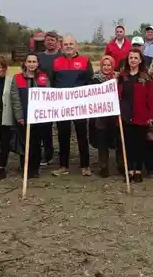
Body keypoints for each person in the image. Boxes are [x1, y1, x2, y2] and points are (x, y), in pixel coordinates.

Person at [52, 36, 94, 177]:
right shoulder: (56, 62)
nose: (68, 46)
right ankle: (63, 166)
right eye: (66, 44)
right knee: (63, 136)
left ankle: (85, 165)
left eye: (71, 44)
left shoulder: (85, 61)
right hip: (62, 106)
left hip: (79, 106)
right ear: (61, 46)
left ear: (76, 46)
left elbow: (90, 82)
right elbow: (52, 83)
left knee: (82, 135)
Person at [117, 48, 153, 183]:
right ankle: (129, 170)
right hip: (125, 115)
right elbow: (117, 95)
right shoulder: (122, 76)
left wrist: (151, 115)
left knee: (140, 144)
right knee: (128, 144)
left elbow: (150, 98)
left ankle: (138, 170)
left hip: (141, 116)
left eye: (135, 58)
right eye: (131, 58)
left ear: (140, 60)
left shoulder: (146, 77)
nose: (133, 60)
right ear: (127, 60)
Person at [10, 53, 51, 179]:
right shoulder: (17, 78)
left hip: (39, 118)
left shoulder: (44, 78)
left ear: (38, 64)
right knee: (24, 144)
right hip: (24, 118)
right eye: (29, 61)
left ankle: (35, 168)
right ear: (25, 63)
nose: (32, 64)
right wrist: (19, 116)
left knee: (37, 144)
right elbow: (15, 99)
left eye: (34, 62)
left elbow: (48, 96)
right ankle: (25, 167)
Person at [90, 56, 122, 178]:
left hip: (116, 115)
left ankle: (120, 164)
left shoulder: (118, 78)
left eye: (109, 65)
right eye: (104, 65)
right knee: (102, 142)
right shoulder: (95, 79)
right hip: (101, 115)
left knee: (118, 141)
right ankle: (103, 166)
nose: (107, 67)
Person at [36, 32, 61, 166]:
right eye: (48, 40)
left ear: (57, 42)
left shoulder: (61, 56)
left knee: (62, 127)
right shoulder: (39, 57)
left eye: (53, 40)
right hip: (44, 97)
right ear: (44, 42)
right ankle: (47, 153)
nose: (50, 42)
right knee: (45, 127)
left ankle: (63, 155)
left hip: (60, 96)